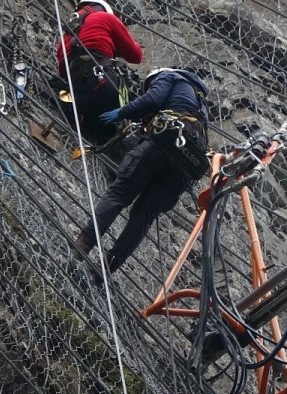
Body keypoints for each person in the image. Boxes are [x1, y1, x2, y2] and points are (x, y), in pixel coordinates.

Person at [70, 67, 211, 281]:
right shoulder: (201, 108)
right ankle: (105, 269)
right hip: (186, 166)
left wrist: (122, 112)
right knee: (143, 216)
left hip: (164, 142)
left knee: (119, 194)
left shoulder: (170, 76)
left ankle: (82, 246)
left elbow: (153, 100)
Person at [54, 0, 143, 146]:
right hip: (104, 86)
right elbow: (136, 56)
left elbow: (64, 69)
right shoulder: (105, 17)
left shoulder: (65, 39)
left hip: (77, 96)